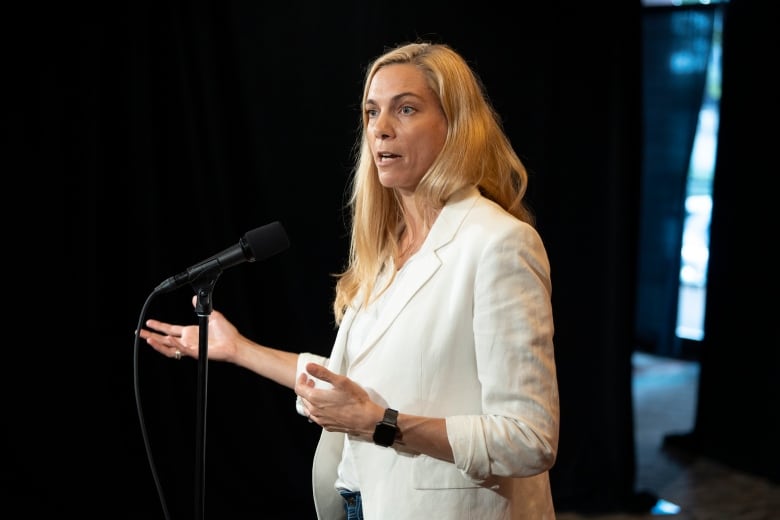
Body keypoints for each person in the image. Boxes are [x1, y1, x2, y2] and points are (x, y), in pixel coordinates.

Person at [140, 41, 559, 519]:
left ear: (456, 125)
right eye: (371, 112)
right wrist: (237, 349)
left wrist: (384, 424)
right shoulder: (387, 250)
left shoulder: (498, 244)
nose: (380, 129)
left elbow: (529, 440)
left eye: (406, 109)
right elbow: (349, 390)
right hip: (362, 504)